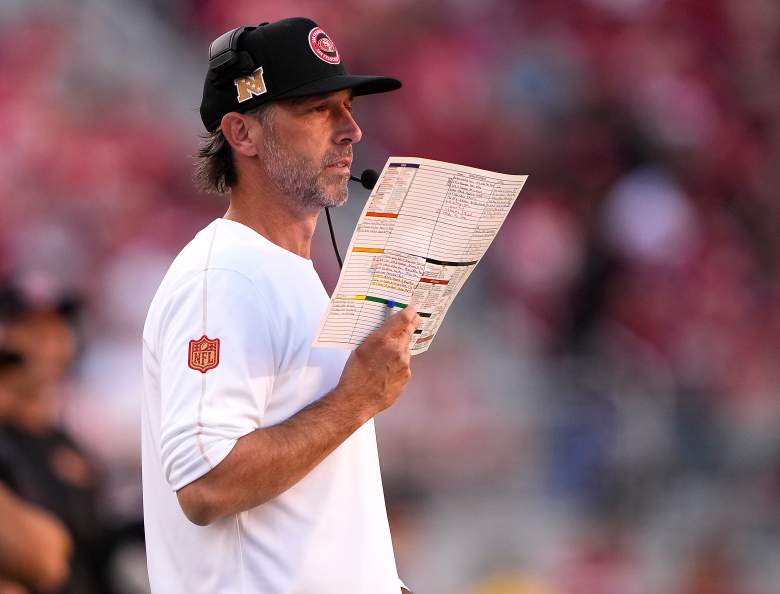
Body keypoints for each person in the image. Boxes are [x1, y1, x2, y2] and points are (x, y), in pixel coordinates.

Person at [142, 17, 419, 594]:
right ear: (242, 134)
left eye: (348, 107)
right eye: (319, 109)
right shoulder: (223, 276)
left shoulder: (283, 271)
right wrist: (357, 399)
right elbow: (206, 485)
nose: (351, 130)